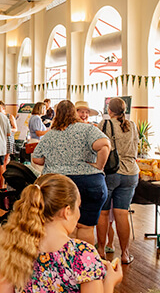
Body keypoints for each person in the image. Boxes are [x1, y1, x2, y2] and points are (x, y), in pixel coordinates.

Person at [0, 173, 122, 293]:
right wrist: (110, 281)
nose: (79, 214)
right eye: (78, 207)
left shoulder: (17, 249)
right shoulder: (83, 254)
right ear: (66, 211)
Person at [32, 100, 111, 245]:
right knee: (86, 227)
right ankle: (85, 263)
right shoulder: (88, 129)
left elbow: (36, 159)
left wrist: (52, 160)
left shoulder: (50, 134)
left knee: (63, 228)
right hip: (90, 183)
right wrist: (98, 166)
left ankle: (66, 263)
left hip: (59, 185)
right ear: (74, 113)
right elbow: (104, 146)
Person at [96, 97, 139, 264]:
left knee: (104, 213)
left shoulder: (105, 124)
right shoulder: (133, 125)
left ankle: (100, 251)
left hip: (110, 173)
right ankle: (125, 254)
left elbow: (97, 147)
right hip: (130, 173)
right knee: (122, 213)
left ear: (109, 110)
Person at [0, 101, 17, 169]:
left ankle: (5, 174)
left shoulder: (10, 116)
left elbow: (15, 128)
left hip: (8, 139)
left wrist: (7, 130)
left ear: (3, 108)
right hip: (0, 139)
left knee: (5, 159)